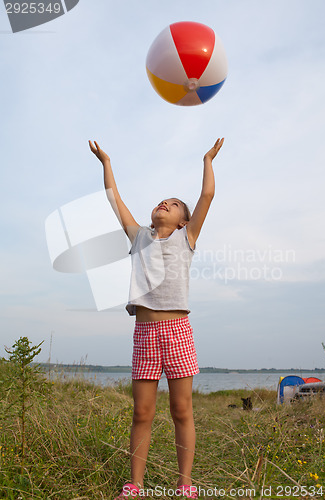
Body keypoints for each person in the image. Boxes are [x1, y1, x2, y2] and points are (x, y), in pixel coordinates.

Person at [89, 138, 224, 499]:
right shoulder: (138, 238)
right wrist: (106, 161)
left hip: (178, 330)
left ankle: (184, 485)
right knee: (142, 412)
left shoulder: (187, 239)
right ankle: (135, 485)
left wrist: (207, 159)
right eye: (163, 201)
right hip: (146, 334)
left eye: (176, 204)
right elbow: (114, 200)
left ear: (183, 221)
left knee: (182, 409)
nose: (166, 203)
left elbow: (207, 196)